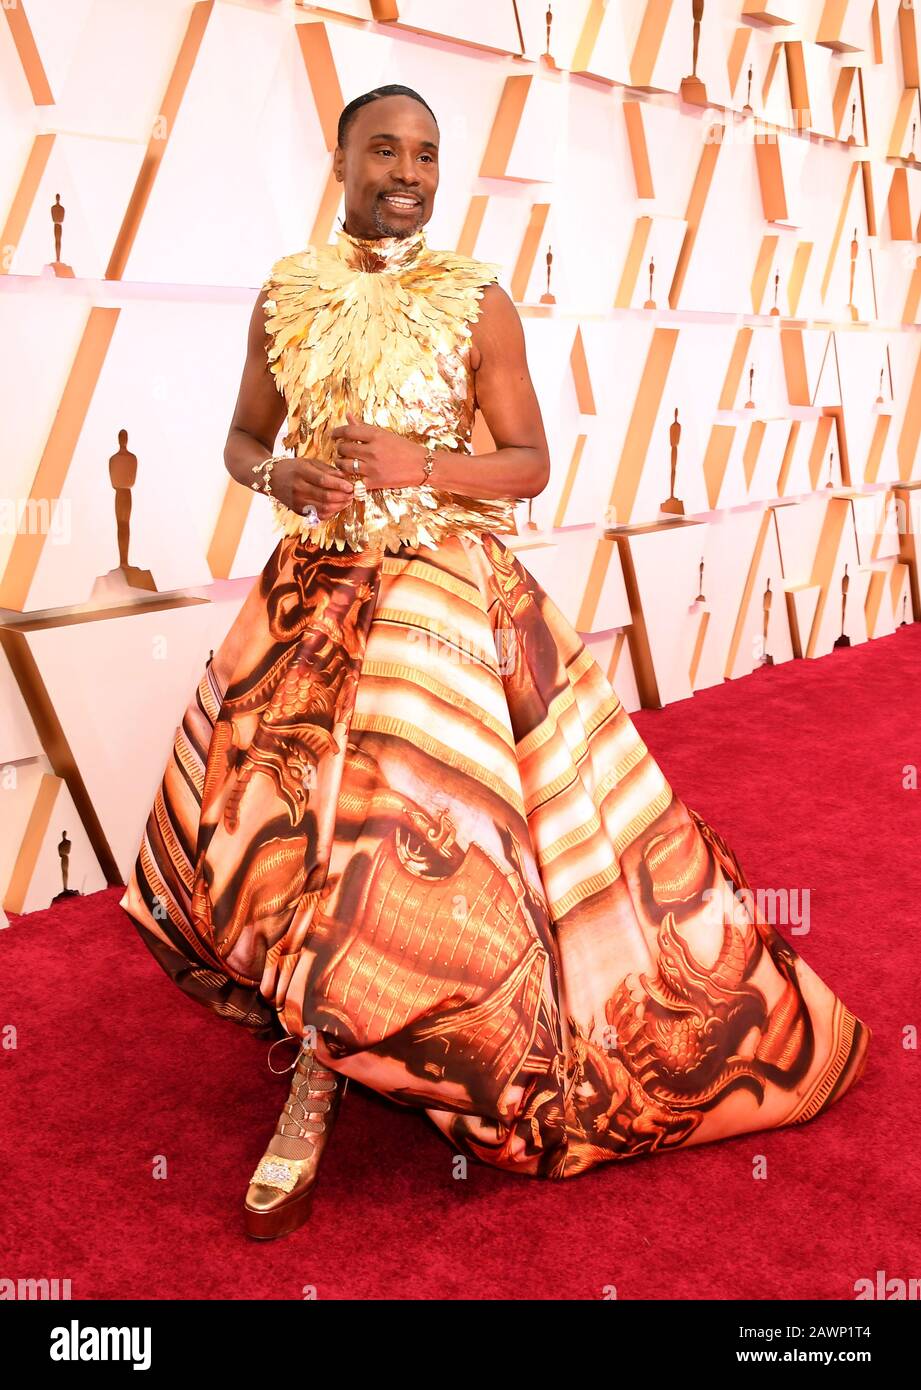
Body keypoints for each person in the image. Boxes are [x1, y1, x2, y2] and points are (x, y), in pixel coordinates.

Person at [119, 84, 871, 1241]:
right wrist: (283, 480)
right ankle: (329, 1029)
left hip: (443, 610)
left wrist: (425, 463)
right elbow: (240, 440)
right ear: (341, 162)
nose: (409, 170)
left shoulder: (480, 303)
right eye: (385, 149)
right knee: (277, 837)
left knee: (388, 854)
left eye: (426, 151)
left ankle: (319, 1084)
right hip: (313, 598)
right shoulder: (286, 293)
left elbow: (527, 466)